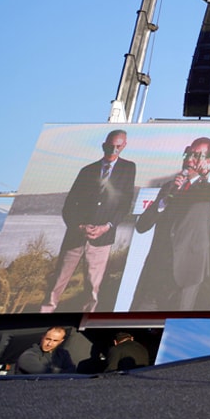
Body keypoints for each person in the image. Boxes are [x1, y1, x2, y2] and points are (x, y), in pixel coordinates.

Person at [41, 129, 137, 313]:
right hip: (75, 237)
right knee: (56, 285)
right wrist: (79, 226)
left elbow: (125, 204)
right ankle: (43, 317)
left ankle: (85, 322)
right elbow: (69, 205)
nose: (113, 150)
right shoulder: (87, 170)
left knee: (93, 290)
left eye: (118, 147)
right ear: (103, 145)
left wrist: (107, 227)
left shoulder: (128, 168)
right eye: (110, 146)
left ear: (124, 146)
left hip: (102, 240)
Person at [131, 138, 210, 311]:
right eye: (188, 154)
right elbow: (142, 225)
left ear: (207, 161)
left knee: (176, 320)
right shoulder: (169, 186)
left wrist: (205, 172)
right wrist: (164, 201)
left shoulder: (209, 187)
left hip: (187, 272)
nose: (189, 159)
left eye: (196, 156)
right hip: (158, 271)